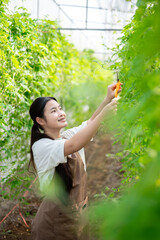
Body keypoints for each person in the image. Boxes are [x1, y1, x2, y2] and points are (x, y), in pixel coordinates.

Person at [29, 83, 122, 240]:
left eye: (60, 108)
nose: (61, 113)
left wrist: (107, 99)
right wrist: (104, 115)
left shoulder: (65, 136)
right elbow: (73, 145)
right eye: (53, 111)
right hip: (55, 219)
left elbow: (90, 123)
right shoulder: (42, 146)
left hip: (77, 213)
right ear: (40, 120)